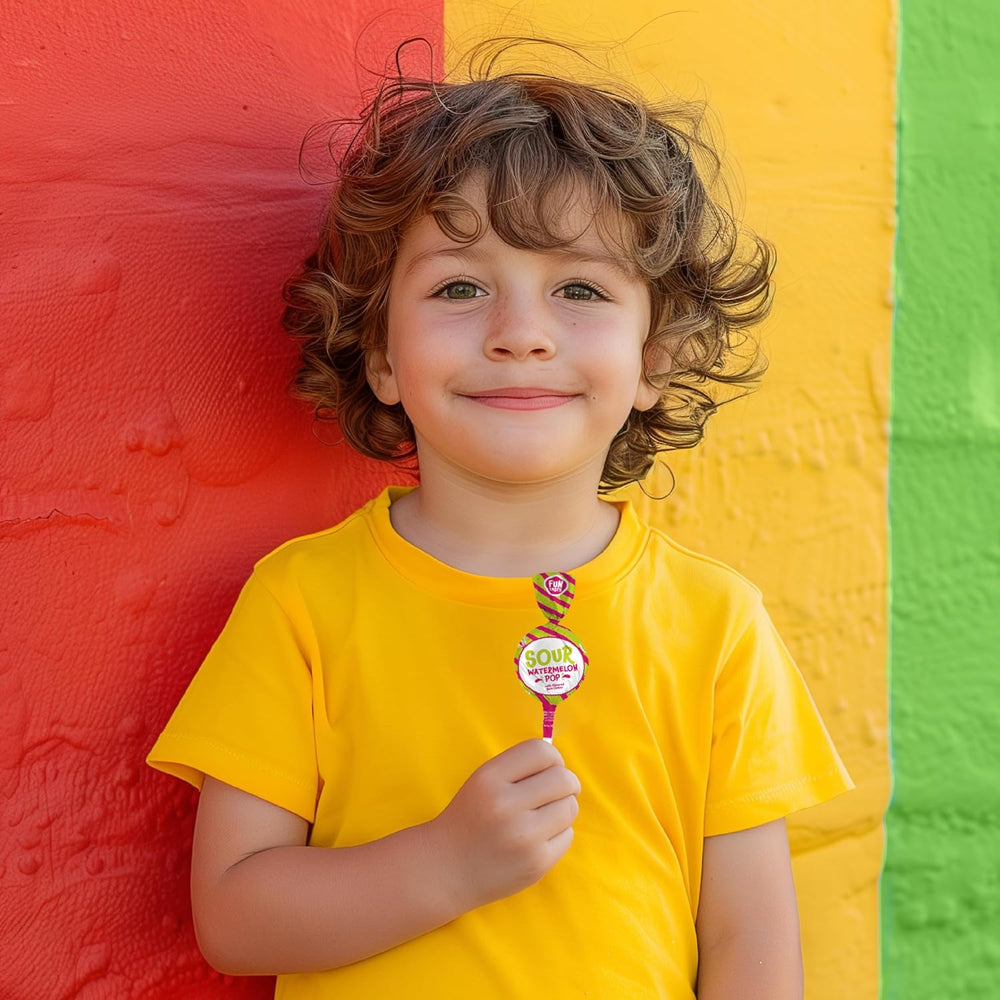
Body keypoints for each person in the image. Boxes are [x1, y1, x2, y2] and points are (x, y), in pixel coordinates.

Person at [147, 44, 853, 1000]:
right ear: (380, 353)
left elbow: (751, 949)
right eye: (459, 287)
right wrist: (444, 865)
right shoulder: (303, 601)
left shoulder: (715, 622)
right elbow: (233, 917)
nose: (520, 331)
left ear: (654, 359)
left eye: (581, 289)